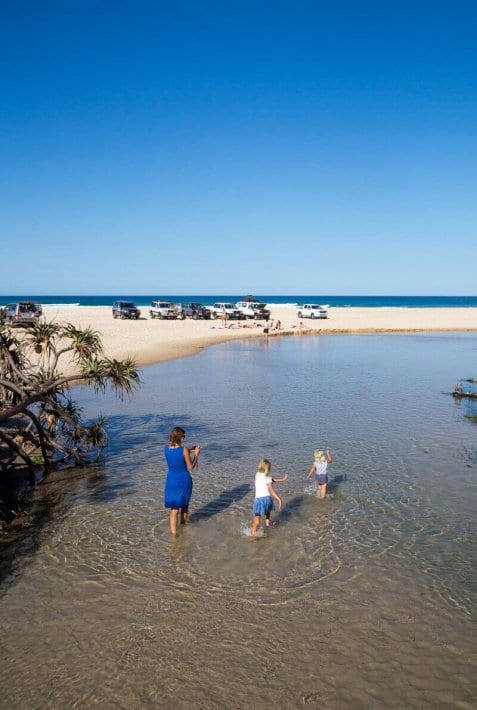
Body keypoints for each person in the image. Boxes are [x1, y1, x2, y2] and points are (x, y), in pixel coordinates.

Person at [164, 426, 201, 535]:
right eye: (183, 436)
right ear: (180, 437)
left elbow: (177, 452)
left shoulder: (166, 449)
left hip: (171, 480)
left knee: (173, 509)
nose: (184, 438)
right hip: (183, 480)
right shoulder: (184, 450)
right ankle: (183, 527)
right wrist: (196, 455)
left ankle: (174, 534)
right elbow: (190, 467)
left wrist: (190, 449)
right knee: (184, 506)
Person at [251, 459, 288, 535]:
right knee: (268, 509)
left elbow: (270, 484)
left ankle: (253, 535)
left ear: (260, 466)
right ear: (268, 469)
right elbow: (271, 483)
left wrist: (279, 499)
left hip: (259, 500)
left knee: (256, 522)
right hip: (267, 499)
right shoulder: (268, 478)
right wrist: (282, 480)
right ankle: (267, 521)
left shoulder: (257, 474)